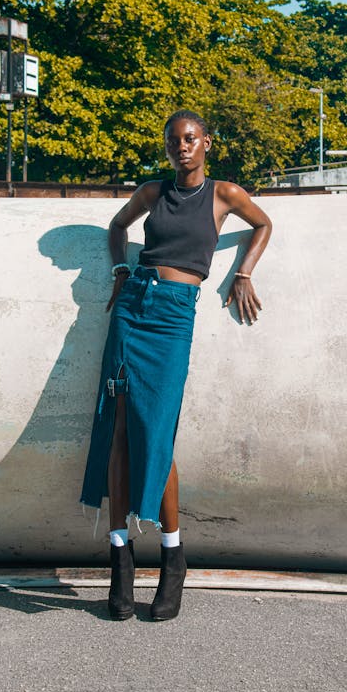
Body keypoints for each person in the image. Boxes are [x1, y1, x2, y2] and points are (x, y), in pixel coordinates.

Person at [80, 109, 272, 621]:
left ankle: (172, 556)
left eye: (190, 139)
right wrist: (120, 269)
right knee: (118, 428)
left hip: (172, 317)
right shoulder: (153, 192)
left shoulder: (224, 195)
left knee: (156, 431)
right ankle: (119, 558)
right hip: (133, 306)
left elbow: (263, 224)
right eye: (173, 141)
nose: (181, 147)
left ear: (206, 142)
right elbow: (118, 227)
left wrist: (244, 273)